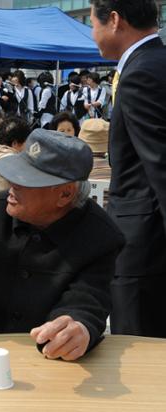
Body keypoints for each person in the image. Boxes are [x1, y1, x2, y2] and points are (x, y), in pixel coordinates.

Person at [0, 129, 125, 360]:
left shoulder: (100, 235)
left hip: (45, 360)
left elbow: (86, 302)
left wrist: (76, 330)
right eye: (14, 173)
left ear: (65, 194)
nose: (11, 184)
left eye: (26, 179)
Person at [90, 0, 166, 338]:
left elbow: (160, 164)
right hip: (150, 234)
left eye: (92, 23)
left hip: (145, 242)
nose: (93, 35)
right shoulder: (154, 62)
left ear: (115, 21)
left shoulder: (139, 73)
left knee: (139, 347)